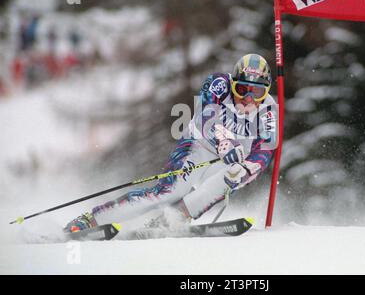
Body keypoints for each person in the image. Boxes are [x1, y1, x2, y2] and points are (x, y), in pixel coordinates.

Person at [64, 54, 278, 233]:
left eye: (257, 92)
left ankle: (173, 220)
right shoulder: (219, 84)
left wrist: (248, 169)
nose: (249, 98)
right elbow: (205, 117)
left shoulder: (268, 110)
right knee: (170, 192)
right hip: (199, 146)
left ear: (266, 91)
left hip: (230, 159)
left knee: (230, 178)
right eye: (242, 89)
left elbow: (265, 150)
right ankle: (91, 220)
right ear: (233, 84)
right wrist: (224, 141)